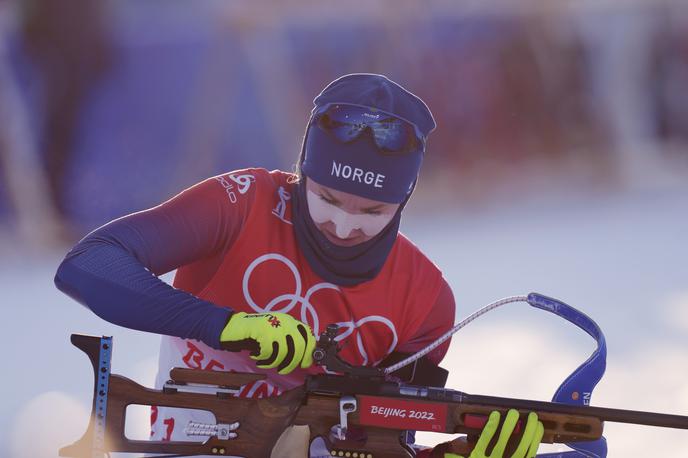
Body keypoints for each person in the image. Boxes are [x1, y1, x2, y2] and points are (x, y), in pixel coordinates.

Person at [55, 73, 543, 457]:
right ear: (302, 171)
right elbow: (87, 264)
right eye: (327, 197)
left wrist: (453, 455)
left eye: (374, 211)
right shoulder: (241, 204)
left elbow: (384, 441)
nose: (345, 225)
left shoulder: (425, 299)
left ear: (405, 200)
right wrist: (226, 325)